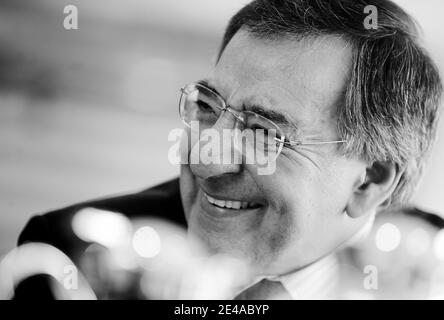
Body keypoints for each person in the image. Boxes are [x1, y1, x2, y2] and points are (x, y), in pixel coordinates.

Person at [16, 0, 443, 299]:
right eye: (206, 106)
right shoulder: (71, 257)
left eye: (262, 130)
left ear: (370, 179)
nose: (206, 159)